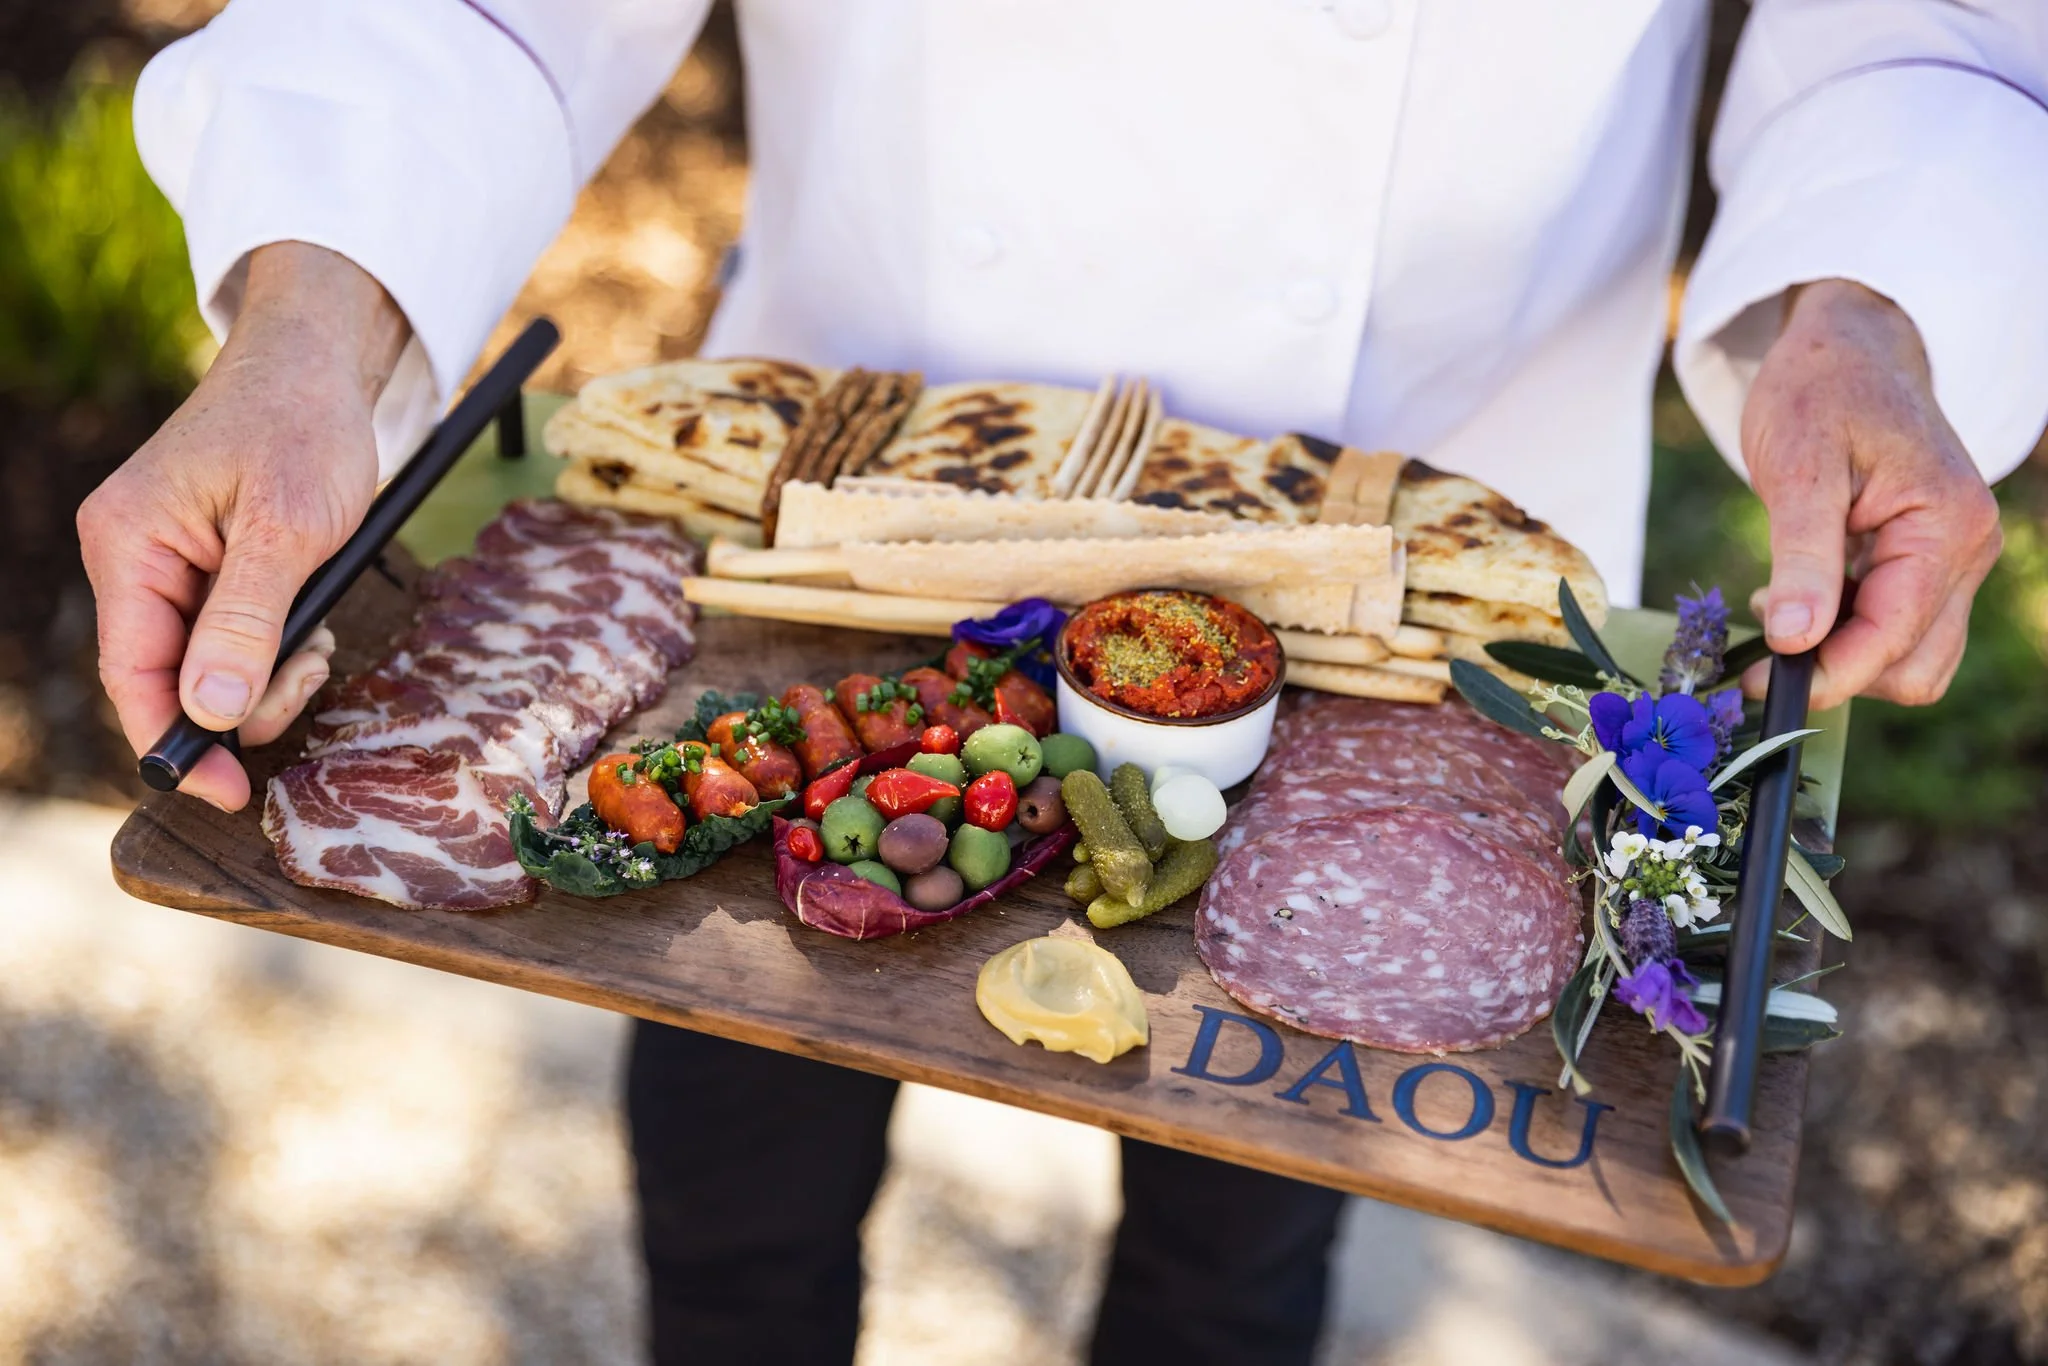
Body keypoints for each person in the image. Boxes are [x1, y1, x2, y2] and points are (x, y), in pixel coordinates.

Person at [80, 2, 2048, 1362]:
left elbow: (1922, 29)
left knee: (1237, 1244)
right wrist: (309, 314)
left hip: (1436, 518)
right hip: (845, 456)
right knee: (732, 1149)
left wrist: (1873, 310)